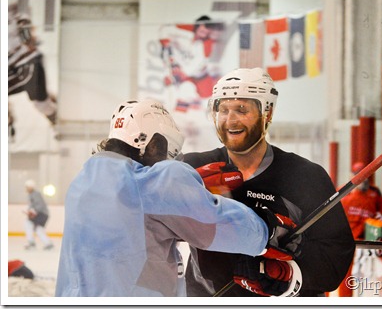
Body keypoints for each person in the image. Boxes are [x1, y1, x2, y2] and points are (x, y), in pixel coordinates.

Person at [55, 99, 299, 297]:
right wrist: (267, 228)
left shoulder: (83, 183)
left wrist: (194, 186)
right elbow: (213, 225)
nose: (167, 160)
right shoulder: (153, 185)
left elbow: (142, 226)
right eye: (166, 150)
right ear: (149, 143)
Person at [183, 67, 356, 297]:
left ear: (268, 113)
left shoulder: (306, 176)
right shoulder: (193, 168)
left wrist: (289, 274)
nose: (230, 119)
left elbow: (335, 256)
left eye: (241, 109)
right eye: (223, 109)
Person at [337, 161, 382, 297]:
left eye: (365, 174)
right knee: (345, 276)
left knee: (366, 279)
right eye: (358, 174)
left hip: (366, 245)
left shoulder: (374, 194)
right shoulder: (343, 192)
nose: (362, 178)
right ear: (352, 175)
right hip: (346, 242)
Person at [24, 179, 54, 250]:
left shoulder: (36, 194)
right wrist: (29, 210)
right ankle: (48, 243)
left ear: (31, 187)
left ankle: (32, 243)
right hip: (41, 214)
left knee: (29, 224)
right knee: (37, 228)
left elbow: (39, 205)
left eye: (27, 187)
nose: (26, 189)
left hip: (41, 214)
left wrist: (33, 212)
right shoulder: (31, 194)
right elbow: (33, 205)